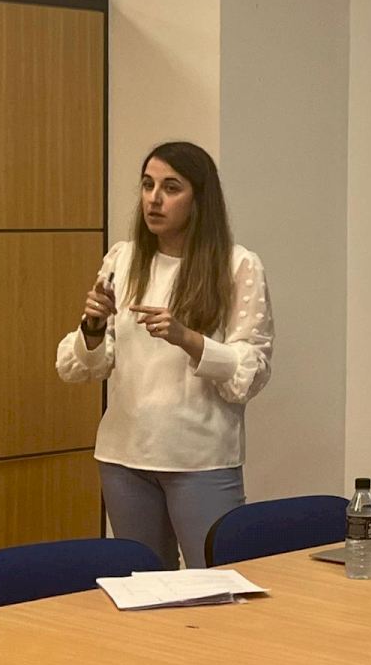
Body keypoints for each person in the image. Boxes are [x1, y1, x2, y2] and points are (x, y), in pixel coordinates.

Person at [56, 141, 274, 568]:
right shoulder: (123, 257)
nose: (154, 199)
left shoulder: (238, 265)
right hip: (124, 457)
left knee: (217, 582)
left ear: (199, 200)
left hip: (201, 460)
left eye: (171, 188)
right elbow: (85, 366)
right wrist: (93, 328)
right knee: (144, 587)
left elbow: (251, 372)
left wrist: (186, 338)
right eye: (147, 185)